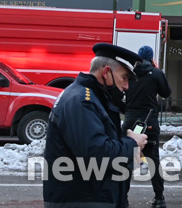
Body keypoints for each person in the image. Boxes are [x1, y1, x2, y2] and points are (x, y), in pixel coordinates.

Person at [43, 43, 147, 208]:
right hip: (82, 200)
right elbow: (96, 154)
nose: (127, 86)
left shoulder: (92, 98)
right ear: (106, 72)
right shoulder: (82, 101)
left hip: (89, 197)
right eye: (124, 77)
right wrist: (132, 143)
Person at [122, 46, 171, 208]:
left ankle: (123, 198)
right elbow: (166, 93)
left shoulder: (129, 73)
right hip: (149, 121)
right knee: (152, 160)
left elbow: (118, 96)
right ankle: (159, 198)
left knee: (126, 159)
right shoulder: (155, 73)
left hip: (130, 121)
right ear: (151, 58)